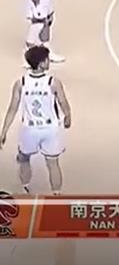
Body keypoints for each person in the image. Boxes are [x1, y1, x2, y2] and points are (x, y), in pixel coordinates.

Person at [0, 46, 72, 195]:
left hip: (29, 130)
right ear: (41, 63)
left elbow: (12, 108)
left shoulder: (21, 83)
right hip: (50, 129)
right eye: (47, 59)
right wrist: (68, 116)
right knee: (53, 163)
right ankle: (56, 194)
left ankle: (25, 187)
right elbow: (63, 102)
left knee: (24, 159)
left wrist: (4, 131)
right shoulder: (53, 82)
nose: (49, 61)